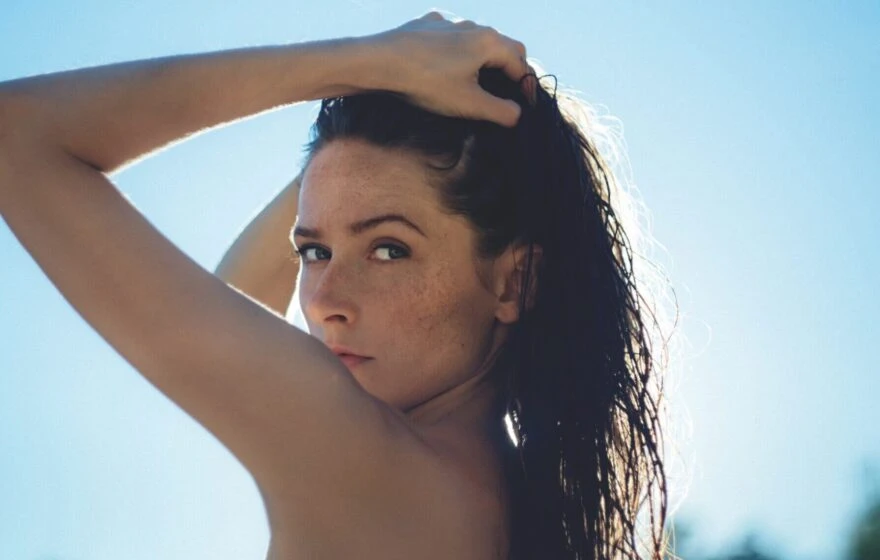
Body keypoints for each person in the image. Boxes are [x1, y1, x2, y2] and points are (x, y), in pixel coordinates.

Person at [0, 11, 671, 560]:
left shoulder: (377, 470)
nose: (322, 301)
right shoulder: (514, 503)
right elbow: (237, 296)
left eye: (389, 249)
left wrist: (370, 62)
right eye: (313, 250)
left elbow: (15, 130)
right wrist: (368, 126)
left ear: (515, 281)